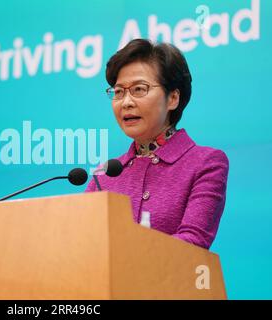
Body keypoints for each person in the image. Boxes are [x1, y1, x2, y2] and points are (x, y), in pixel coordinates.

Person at [85, 39, 229, 249]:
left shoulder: (206, 163)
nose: (126, 102)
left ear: (172, 98)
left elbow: (193, 242)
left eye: (139, 89)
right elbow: (83, 242)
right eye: (118, 92)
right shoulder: (105, 175)